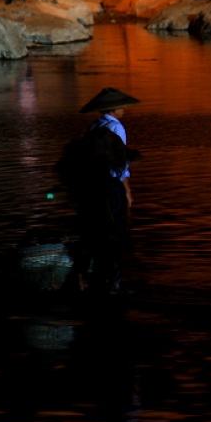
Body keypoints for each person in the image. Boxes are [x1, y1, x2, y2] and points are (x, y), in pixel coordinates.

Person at [61, 87, 141, 294]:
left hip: (94, 185)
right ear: (114, 108)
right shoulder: (116, 127)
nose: (124, 109)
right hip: (111, 185)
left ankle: (95, 278)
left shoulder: (95, 126)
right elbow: (120, 162)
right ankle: (115, 284)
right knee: (115, 230)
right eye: (121, 106)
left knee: (98, 230)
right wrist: (127, 190)